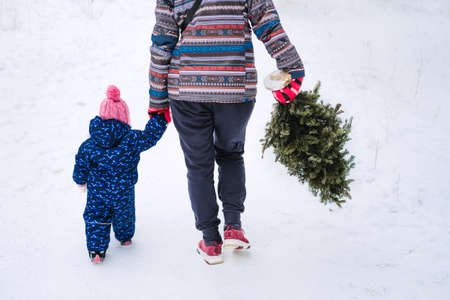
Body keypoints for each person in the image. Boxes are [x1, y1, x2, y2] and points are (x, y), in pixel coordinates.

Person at [148, 0, 304, 264]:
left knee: (198, 166)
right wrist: (292, 66)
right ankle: (233, 227)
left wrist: (157, 99)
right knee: (231, 154)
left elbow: (162, 43)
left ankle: (210, 241)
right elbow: (268, 22)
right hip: (235, 89)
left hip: (186, 91)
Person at [73, 85, 168, 263]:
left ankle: (96, 251)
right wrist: (160, 118)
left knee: (96, 217)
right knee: (124, 213)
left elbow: (81, 165)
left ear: (101, 117)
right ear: (124, 117)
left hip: (97, 192)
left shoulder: (89, 144)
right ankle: (125, 237)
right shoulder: (132, 139)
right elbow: (150, 136)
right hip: (123, 190)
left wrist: (80, 180)